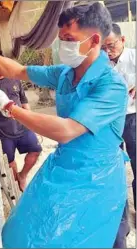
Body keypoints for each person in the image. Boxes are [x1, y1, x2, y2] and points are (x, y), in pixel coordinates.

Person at [0, 3, 129, 247]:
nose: (63, 45)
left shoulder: (111, 86)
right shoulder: (65, 73)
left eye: (69, 38)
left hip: (96, 177)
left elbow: (66, 130)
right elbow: (21, 70)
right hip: (63, 165)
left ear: (94, 39)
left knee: (84, 239)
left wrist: (8, 107)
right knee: (25, 233)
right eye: (61, 38)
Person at [0, 50, 41, 191]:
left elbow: (23, 100)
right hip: (2, 131)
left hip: (22, 126)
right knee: (9, 162)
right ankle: (16, 183)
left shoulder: (15, 79)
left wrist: (32, 121)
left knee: (35, 151)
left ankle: (22, 175)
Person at [102, 22, 136, 248]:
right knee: (113, 169)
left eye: (111, 45)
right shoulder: (101, 63)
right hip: (109, 122)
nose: (108, 51)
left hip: (133, 118)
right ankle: (120, 222)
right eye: (103, 47)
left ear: (122, 40)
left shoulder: (134, 58)